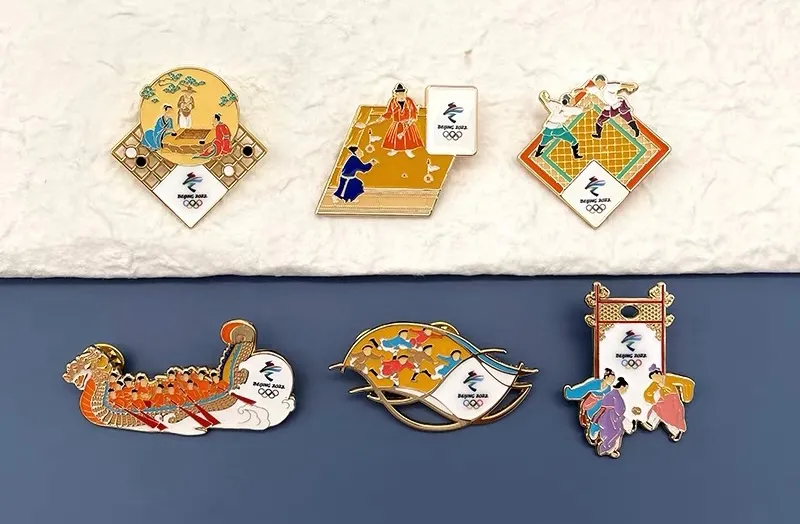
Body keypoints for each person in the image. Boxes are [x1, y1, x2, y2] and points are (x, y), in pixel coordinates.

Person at [642, 365, 695, 441]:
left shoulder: (668, 378)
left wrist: (686, 396)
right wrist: (650, 400)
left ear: (659, 373)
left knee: (670, 417)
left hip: (673, 400)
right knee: (656, 408)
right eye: (653, 378)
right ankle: (651, 423)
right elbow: (648, 392)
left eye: (655, 377)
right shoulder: (656, 383)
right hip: (663, 400)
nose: (655, 379)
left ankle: (676, 432)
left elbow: (687, 382)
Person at [563, 368, 616, 443]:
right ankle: (594, 429)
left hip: (600, 406)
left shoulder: (608, 388)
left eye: (613, 380)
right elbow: (583, 389)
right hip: (590, 405)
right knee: (596, 415)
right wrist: (570, 393)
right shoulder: (595, 383)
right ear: (606, 377)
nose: (612, 381)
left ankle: (597, 431)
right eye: (611, 379)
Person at [375, 83, 423, 157]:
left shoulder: (409, 100)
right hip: (397, 123)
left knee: (409, 138)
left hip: (408, 123)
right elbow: (389, 112)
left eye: (402, 93)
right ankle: (394, 149)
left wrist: (412, 118)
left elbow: (413, 110)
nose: (401, 95)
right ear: (396, 94)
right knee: (395, 138)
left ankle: (408, 150)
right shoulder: (392, 101)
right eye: (399, 93)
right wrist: (382, 118)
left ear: (405, 93)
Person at [585, 75, 640, 139]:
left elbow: (621, 85)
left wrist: (630, 86)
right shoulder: (598, 90)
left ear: (602, 81)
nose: (597, 85)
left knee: (628, 118)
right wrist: (581, 90)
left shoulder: (609, 87)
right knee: (600, 120)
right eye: (596, 83)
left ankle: (636, 130)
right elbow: (588, 89)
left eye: (598, 82)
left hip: (619, 105)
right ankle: (598, 134)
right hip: (609, 108)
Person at [534, 91, 585, 159]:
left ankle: (537, 153)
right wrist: (584, 106)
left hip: (548, 128)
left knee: (543, 142)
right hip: (558, 129)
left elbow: (546, 100)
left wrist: (544, 95)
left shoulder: (555, 105)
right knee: (573, 141)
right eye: (572, 99)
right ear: (568, 101)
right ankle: (576, 155)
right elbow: (581, 110)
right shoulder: (570, 109)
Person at [593, 377, 630, 458]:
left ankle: (610, 449)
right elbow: (619, 410)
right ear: (622, 387)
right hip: (611, 418)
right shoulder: (615, 396)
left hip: (608, 416)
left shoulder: (612, 394)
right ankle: (605, 449)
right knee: (614, 432)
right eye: (625, 388)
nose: (625, 391)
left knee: (610, 433)